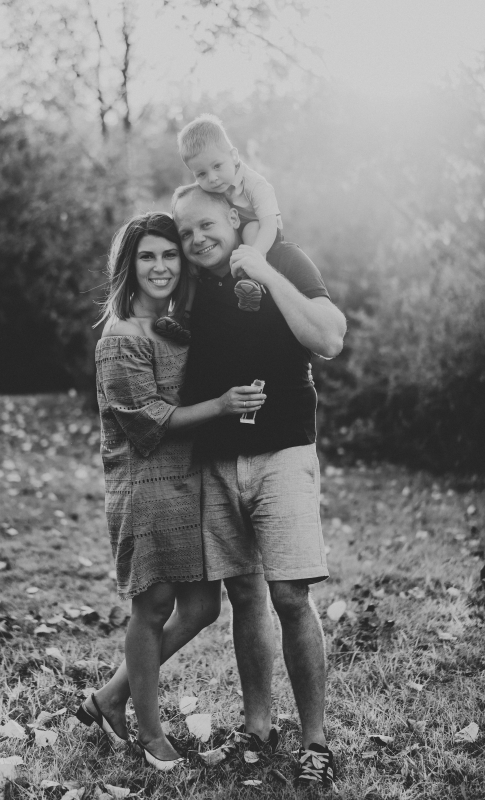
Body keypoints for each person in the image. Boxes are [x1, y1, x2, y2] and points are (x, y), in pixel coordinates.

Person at [76, 212, 266, 771]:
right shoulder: (121, 337)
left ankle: (109, 697)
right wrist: (222, 405)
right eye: (147, 257)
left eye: (168, 255)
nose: (160, 267)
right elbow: (147, 421)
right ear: (128, 266)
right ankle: (150, 733)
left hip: (193, 480)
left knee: (202, 606)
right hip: (146, 484)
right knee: (154, 605)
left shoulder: (174, 325)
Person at [172, 184, 346, 789]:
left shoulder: (286, 258)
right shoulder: (191, 287)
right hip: (217, 459)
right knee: (244, 596)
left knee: (291, 596)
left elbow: (329, 339)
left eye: (206, 225)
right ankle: (257, 727)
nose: (197, 239)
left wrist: (265, 270)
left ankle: (315, 741)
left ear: (232, 216)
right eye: (185, 232)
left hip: (283, 452)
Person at [178, 113, 283, 313]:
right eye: (201, 174)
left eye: (217, 166)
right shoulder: (210, 187)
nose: (212, 178)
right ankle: (182, 314)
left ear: (233, 156)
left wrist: (253, 256)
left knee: (251, 227)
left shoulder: (256, 185)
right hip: (233, 231)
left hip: (263, 232)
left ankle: (253, 283)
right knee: (191, 263)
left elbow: (269, 224)